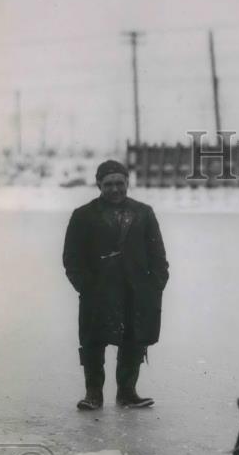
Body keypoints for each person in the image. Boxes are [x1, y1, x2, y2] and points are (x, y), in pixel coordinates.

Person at [62, 160, 169, 410]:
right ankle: (93, 394)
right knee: (93, 342)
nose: (115, 189)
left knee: (134, 340)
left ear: (127, 183)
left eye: (119, 183)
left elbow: (158, 256)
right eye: (108, 184)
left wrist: (154, 286)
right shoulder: (83, 215)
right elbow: (71, 258)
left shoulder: (144, 213)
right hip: (97, 291)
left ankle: (127, 392)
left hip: (136, 291)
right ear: (98, 184)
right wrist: (86, 286)